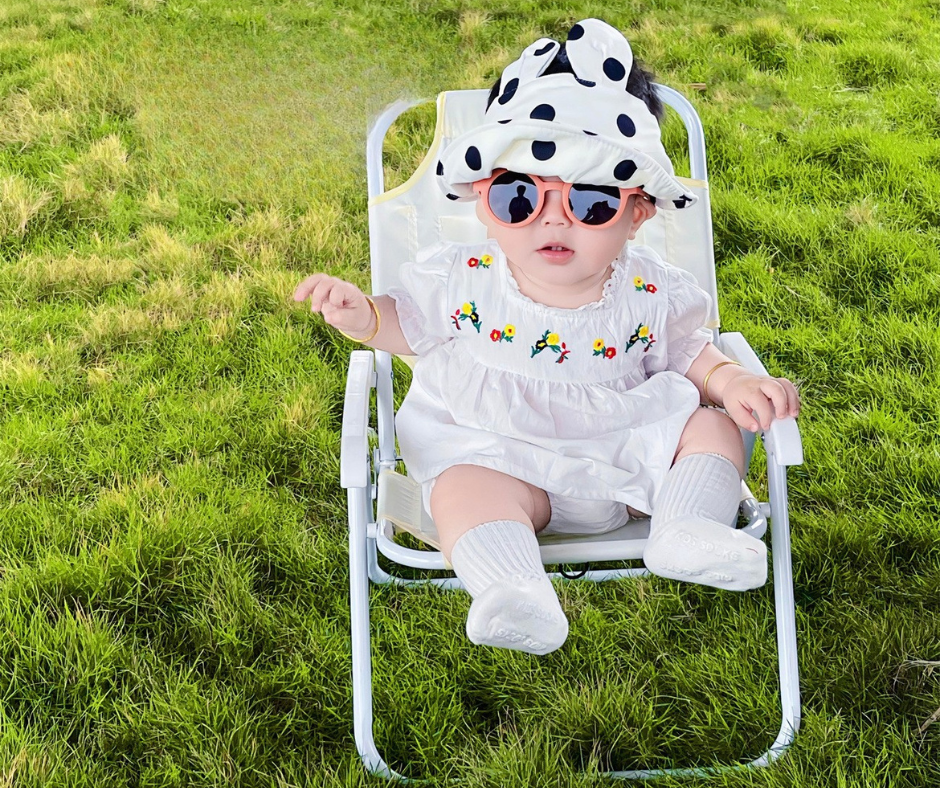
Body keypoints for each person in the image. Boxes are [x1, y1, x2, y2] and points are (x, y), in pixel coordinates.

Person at [294, 19, 800, 656]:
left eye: (592, 202)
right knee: (460, 488)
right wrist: (366, 316)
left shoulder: (652, 288)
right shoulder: (462, 277)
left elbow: (690, 350)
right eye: (518, 197)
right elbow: (407, 327)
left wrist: (733, 380)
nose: (553, 219)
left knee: (714, 427)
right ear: (483, 200)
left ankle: (687, 526)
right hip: (501, 453)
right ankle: (513, 590)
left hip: (629, 455)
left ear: (638, 212)